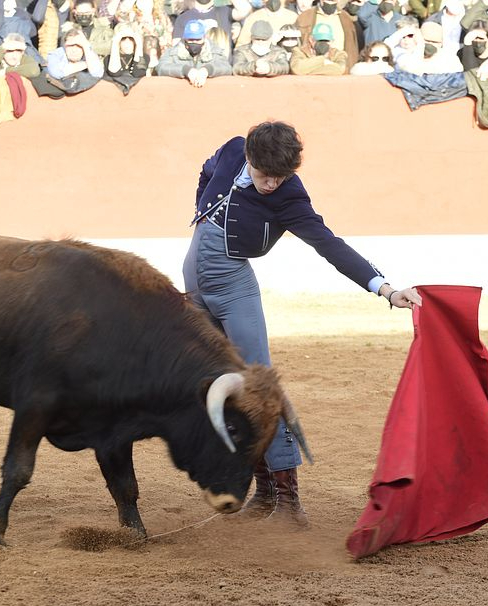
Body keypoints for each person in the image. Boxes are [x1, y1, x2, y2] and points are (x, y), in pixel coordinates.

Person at [183, 121, 421, 527]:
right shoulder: (231, 149)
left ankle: (289, 502)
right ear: (249, 158)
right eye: (263, 175)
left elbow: (328, 244)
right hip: (195, 282)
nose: (271, 184)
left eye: (280, 177)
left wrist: (384, 288)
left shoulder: (289, 194)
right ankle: (262, 490)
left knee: (259, 387)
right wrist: (199, 214)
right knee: (216, 388)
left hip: (233, 288)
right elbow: (206, 172)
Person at [155, 18, 232, 85]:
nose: (194, 42)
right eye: (191, 39)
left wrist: (207, 70)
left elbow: (226, 67)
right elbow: (161, 67)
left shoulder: (214, 52)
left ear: (204, 38)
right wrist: (185, 70)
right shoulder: (173, 53)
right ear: (185, 39)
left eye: (198, 39)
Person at [295, 0, 361, 73]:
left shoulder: (346, 18)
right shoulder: (305, 17)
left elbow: (352, 47)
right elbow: (298, 44)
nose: (330, 3)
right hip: (312, 65)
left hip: (339, 65)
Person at [46, 26, 105, 92]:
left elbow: (97, 73)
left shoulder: (88, 52)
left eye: (78, 46)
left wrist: (85, 45)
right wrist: (86, 64)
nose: (74, 50)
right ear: (64, 46)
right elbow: (56, 72)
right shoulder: (56, 54)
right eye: (71, 46)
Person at [103, 22, 149, 94]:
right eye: (123, 39)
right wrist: (115, 43)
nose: (127, 43)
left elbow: (138, 73)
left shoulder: (144, 57)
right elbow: (115, 73)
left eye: (131, 39)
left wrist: (139, 44)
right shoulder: (109, 59)